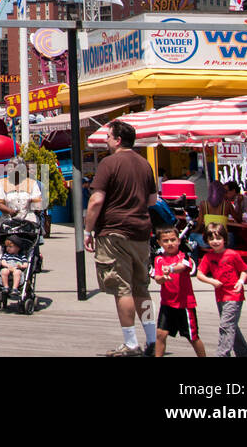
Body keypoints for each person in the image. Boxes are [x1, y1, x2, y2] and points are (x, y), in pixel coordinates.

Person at [83, 122, 158, 357]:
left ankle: (131, 342)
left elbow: (96, 200)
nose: (106, 140)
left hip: (114, 233)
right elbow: (153, 200)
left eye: (108, 136)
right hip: (141, 232)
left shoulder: (109, 163)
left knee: (122, 289)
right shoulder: (145, 164)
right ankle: (153, 339)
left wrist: (88, 230)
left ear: (117, 140)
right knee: (141, 288)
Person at [195, 222, 247, 356]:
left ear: (225, 239)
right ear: (207, 240)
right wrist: (212, 281)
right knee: (231, 326)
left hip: (234, 296)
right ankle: (244, 353)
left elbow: (245, 270)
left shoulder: (232, 254)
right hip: (220, 296)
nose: (215, 241)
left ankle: (222, 354)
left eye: (218, 238)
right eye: (211, 239)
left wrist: (241, 281)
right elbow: (199, 274)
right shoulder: (208, 257)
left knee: (226, 326)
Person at [149, 226, 207, 358]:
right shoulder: (158, 259)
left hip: (185, 305)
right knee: (160, 334)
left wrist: (170, 269)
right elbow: (157, 278)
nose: (170, 243)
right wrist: (163, 278)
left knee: (192, 337)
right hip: (167, 304)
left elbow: (182, 267)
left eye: (173, 240)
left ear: (179, 241)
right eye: (166, 241)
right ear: (159, 243)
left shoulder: (184, 255)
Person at [0, 157, 43, 226]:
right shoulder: (2, 183)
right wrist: (9, 211)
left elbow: (37, 202)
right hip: (8, 222)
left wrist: (37, 205)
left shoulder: (32, 183)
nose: (9, 169)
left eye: (12, 167)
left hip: (28, 222)